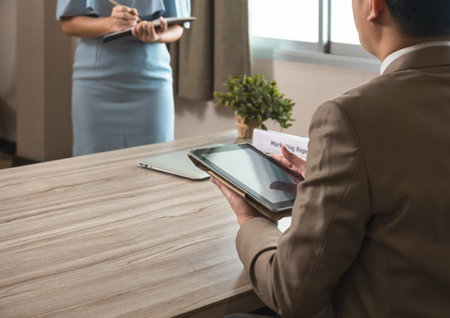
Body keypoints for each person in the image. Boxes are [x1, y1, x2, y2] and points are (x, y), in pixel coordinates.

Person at [214, 0, 450, 317]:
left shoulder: (352, 115)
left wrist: (251, 221)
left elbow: (291, 292)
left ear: (373, 6)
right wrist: (341, 181)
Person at [56, 0, 190, 156]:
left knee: (156, 162)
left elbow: (178, 27)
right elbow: (68, 24)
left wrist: (157, 35)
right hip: (94, 84)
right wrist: (110, 23)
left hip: (151, 81)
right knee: (92, 168)